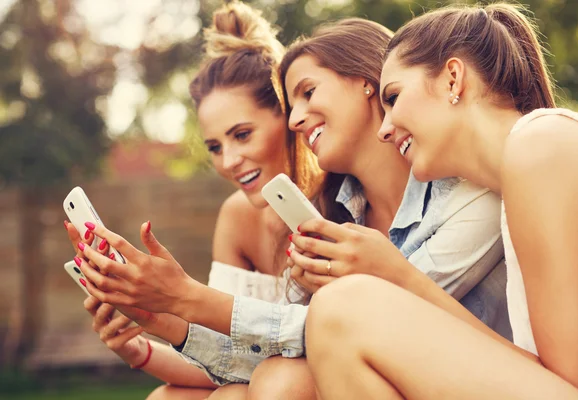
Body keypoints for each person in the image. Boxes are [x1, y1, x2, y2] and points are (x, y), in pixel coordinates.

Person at [72, 17, 509, 394]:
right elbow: (272, 349)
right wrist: (155, 321)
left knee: (282, 383)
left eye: (306, 93)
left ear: (365, 82)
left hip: (476, 380)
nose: (296, 118)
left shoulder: (468, 193)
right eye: (214, 146)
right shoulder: (334, 214)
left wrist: (184, 300)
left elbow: (349, 329)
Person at [303, 3, 578, 399]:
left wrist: (401, 277)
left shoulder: (539, 147)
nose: (384, 129)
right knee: (336, 328)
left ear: (453, 79)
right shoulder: (518, 186)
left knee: (342, 310)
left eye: (392, 97)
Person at [64, 1, 319, 398]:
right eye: (215, 147)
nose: (230, 161)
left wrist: (183, 297)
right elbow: (228, 362)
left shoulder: (339, 197)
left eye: (242, 134)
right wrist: (138, 346)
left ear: (286, 113)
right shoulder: (237, 216)